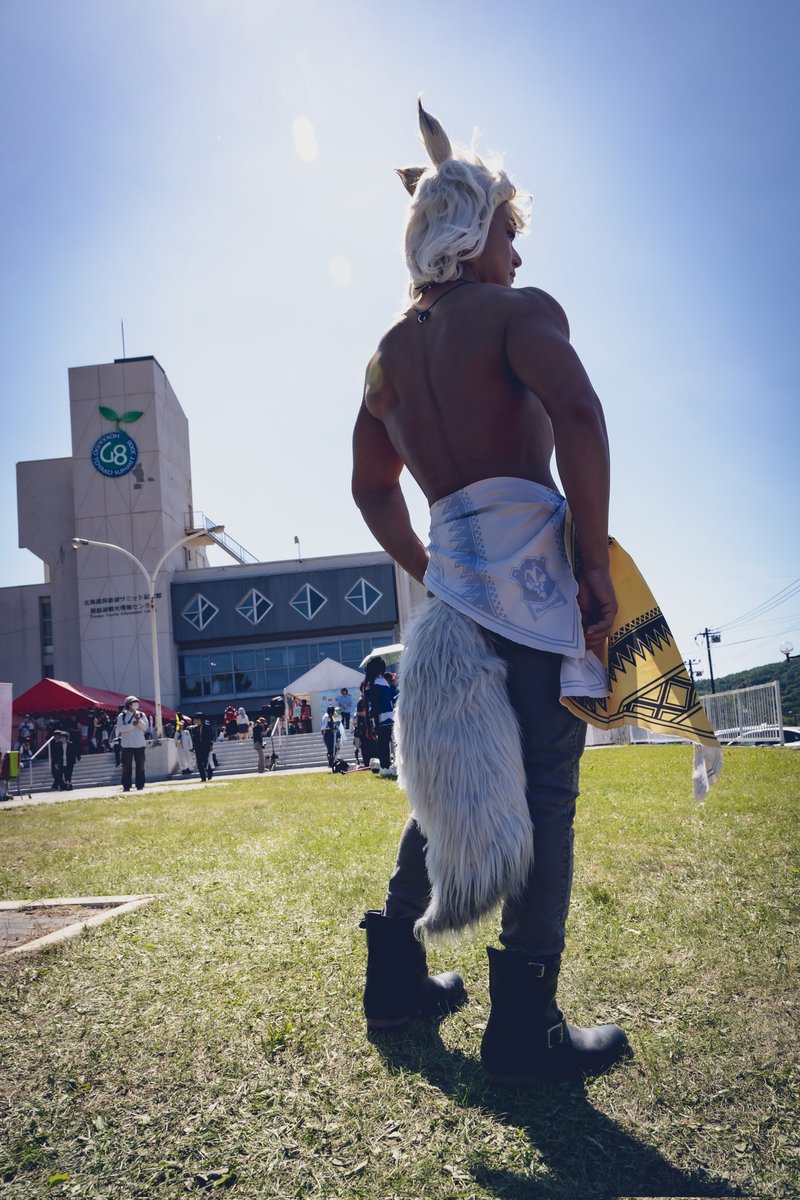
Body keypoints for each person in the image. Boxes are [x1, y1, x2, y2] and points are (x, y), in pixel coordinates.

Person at [350, 100, 629, 1084]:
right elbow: (579, 413)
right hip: (536, 587)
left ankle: (394, 977)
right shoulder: (517, 312)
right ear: (472, 233)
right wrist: (591, 564)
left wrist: (430, 568)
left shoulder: (386, 357)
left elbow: (369, 488)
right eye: (509, 232)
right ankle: (524, 1026)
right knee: (544, 793)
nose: (517, 254)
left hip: (453, 603)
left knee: (449, 785)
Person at [363, 658, 397, 770]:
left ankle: (384, 764)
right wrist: (393, 685)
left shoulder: (371, 682)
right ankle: (386, 765)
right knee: (386, 742)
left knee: (382, 742)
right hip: (387, 715)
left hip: (378, 716)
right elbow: (391, 695)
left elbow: (369, 697)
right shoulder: (380, 680)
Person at [115, 696, 147, 792]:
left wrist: (139, 721)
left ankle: (140, 785)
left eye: (137, 702)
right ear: (129, 704)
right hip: (127, 745)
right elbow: (120, 729)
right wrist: (132, 725)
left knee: (140, 766)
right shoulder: (122, 716)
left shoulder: (141, 714)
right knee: (126, 767)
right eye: (134, 702)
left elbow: (145, 727)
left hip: (139, 744)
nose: (136, 704)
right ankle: (126, 786)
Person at [190, 713, 215, 782]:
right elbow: (194, 739)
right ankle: (203, 778)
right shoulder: (194, 728)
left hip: (206, 747)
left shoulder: (207, 727)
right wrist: (193, 747)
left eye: (195, 719)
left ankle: (209, 772)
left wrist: (211, 745)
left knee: (205, 761)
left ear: (199, 719)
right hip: (198, 748)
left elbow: (211, 737)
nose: (194, 720)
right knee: (199, 763)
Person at [320, 705, 342, 771]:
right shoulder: (327, 717)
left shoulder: (331, 716)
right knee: (330, 749)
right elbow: (327, 726)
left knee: (334, 748)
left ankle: (333, 760)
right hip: (328, 733)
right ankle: (331, 762)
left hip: (332, 733)